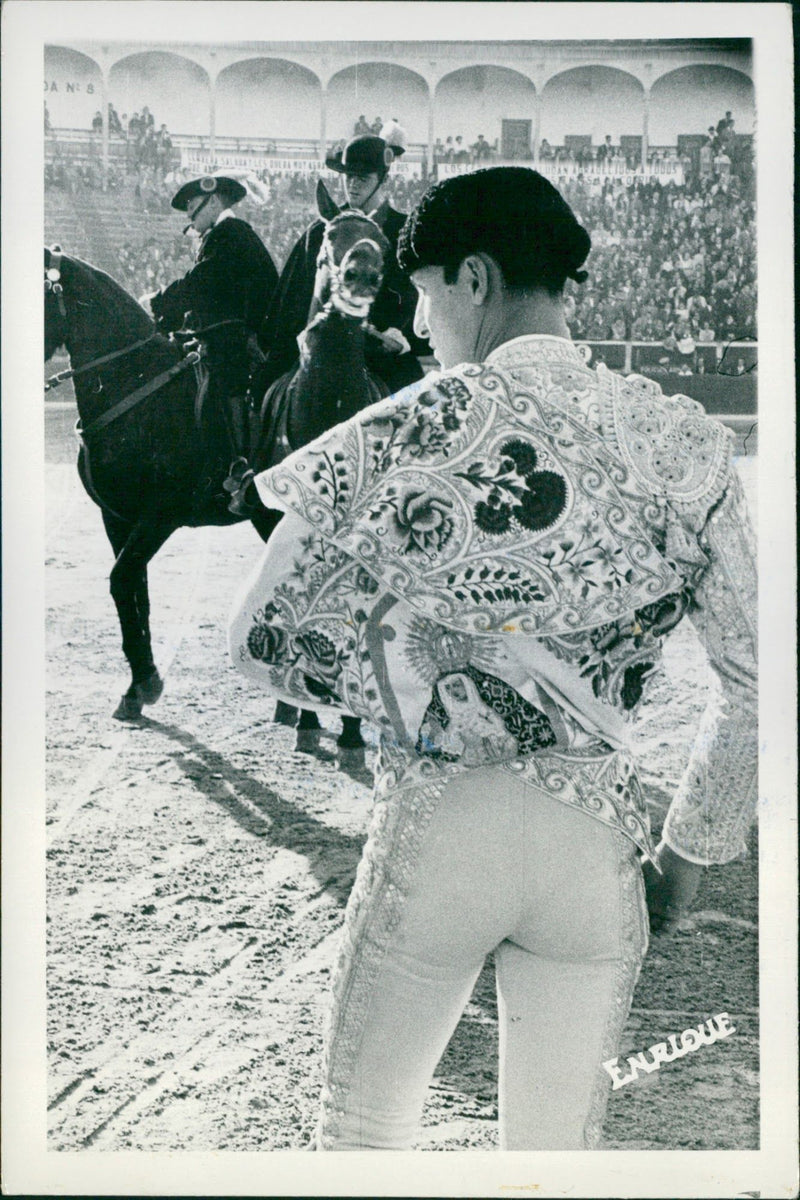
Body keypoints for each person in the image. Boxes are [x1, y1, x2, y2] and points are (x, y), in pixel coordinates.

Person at [229, 167, 757, 1149]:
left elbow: (261, 639)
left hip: (442, 833)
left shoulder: (414, 424)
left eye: (423, 295)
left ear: (470, 279)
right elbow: (759, 681)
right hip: (594, 853)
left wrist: (422, 677)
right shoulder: (684, 442)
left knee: (361, 1135)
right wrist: (689, 853)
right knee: (549, 1162)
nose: (422, 326)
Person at [263, 124, 429, 396]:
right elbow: (294, 296)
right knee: (266, 397)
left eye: (362, 178)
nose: (352, 184)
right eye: (348, 176)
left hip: (382, 356)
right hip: (322, 349)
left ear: (382, 179)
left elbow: (415, 296)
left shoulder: (403, 231)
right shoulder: (322, 230)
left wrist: (398, 337)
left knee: (418, 416)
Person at [147, 173, 279, 511]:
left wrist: (157, 302)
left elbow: (201, 282)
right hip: (231, 332)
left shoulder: (230, 233)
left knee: (216, 388)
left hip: (247, 340)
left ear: (215, 201)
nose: (190, 217)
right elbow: (210, 297)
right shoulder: (222, 235)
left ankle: (239, 467)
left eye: (193, 208)